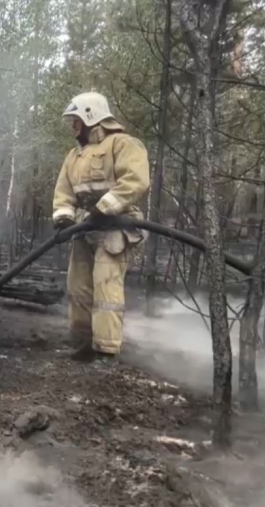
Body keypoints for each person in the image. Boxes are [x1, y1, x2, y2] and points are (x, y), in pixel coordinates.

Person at [52, 92, 150, 363]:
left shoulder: (123, 144)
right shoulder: (75, 155)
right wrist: (64, 217)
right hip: (85, 228)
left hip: (115, 227)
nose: (73, 125)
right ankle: (83, 343)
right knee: (78, 286)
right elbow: (64, 192)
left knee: (106, 288)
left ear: (90, 116)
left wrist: (103, 209)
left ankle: (105, 351)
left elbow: (135, 181)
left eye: (76, 119)